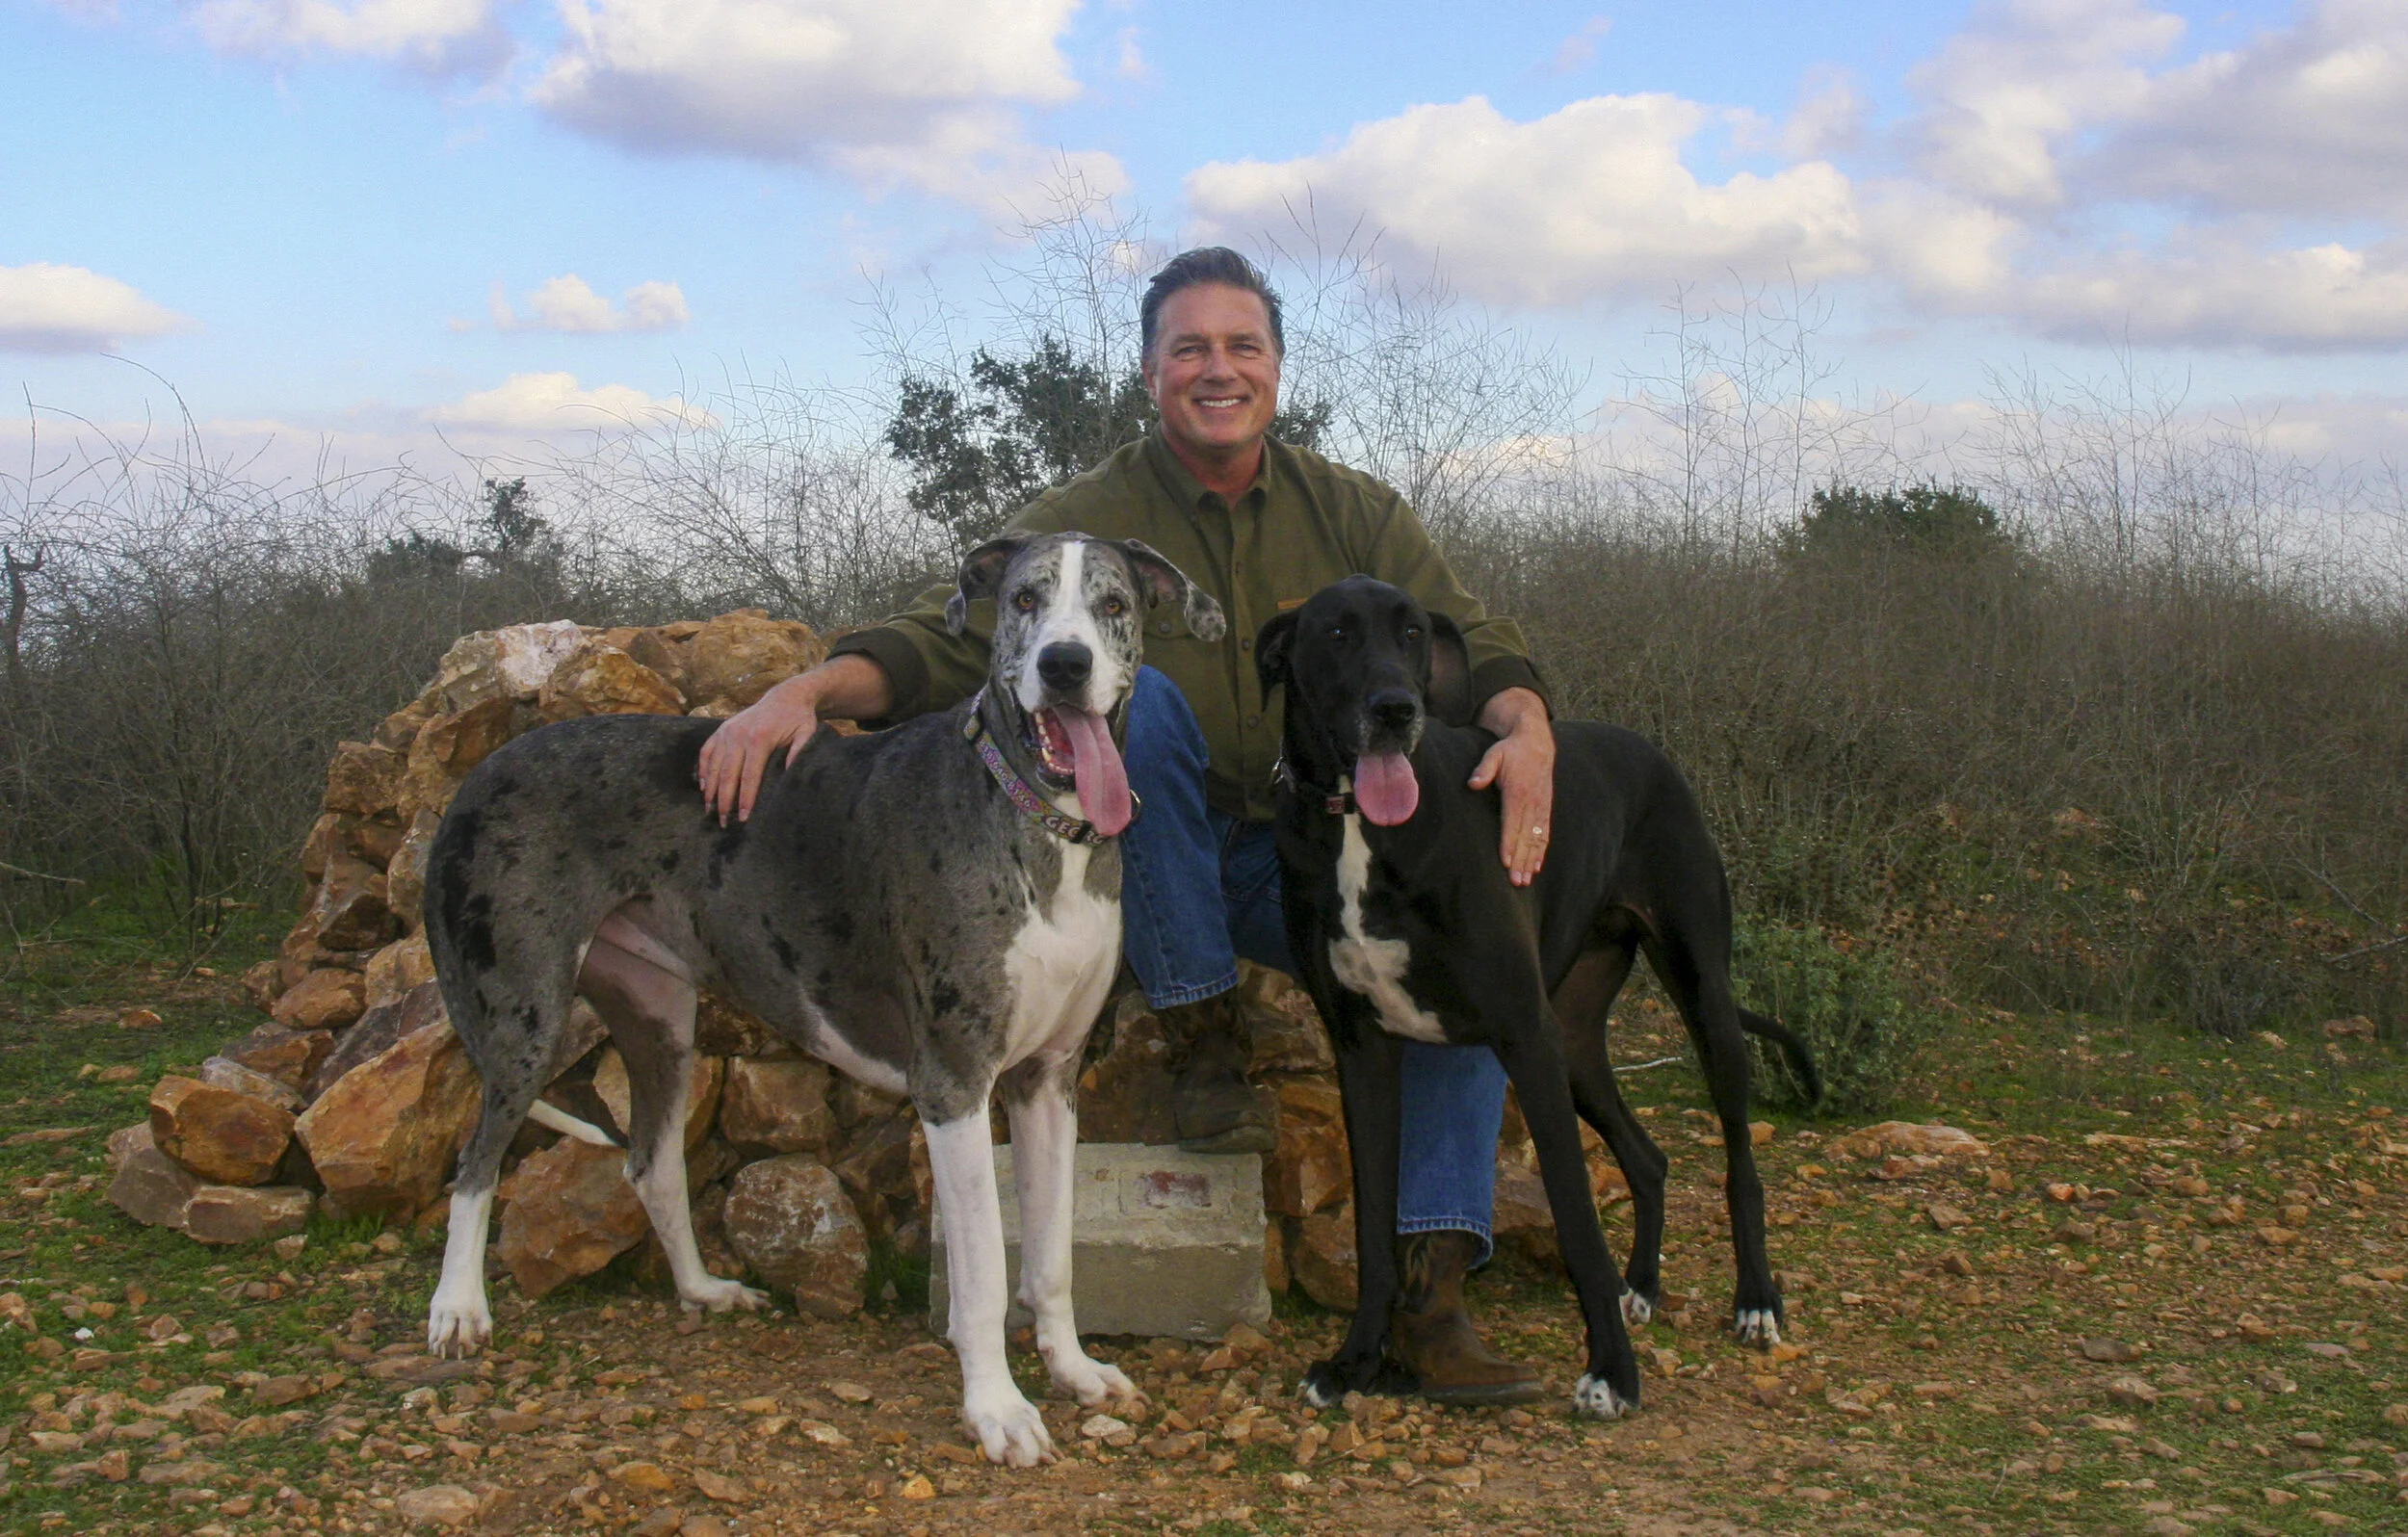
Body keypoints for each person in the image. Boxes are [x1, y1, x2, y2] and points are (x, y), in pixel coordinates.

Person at [697, 247, 1558, 1404]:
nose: (1218, 369)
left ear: (1277, 368)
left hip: (1334, 855)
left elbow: (1473, 641)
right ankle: (1201, 1031)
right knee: (1133, 700)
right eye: (1189, 348)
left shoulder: (1356, 512)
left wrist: (1531, 728)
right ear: (1151, 373)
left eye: (1241, 346)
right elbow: (946, 641)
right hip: (1177, 857)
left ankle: (1432, 1291)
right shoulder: (1084, 520)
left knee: (1466, 955)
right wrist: (802, 692)